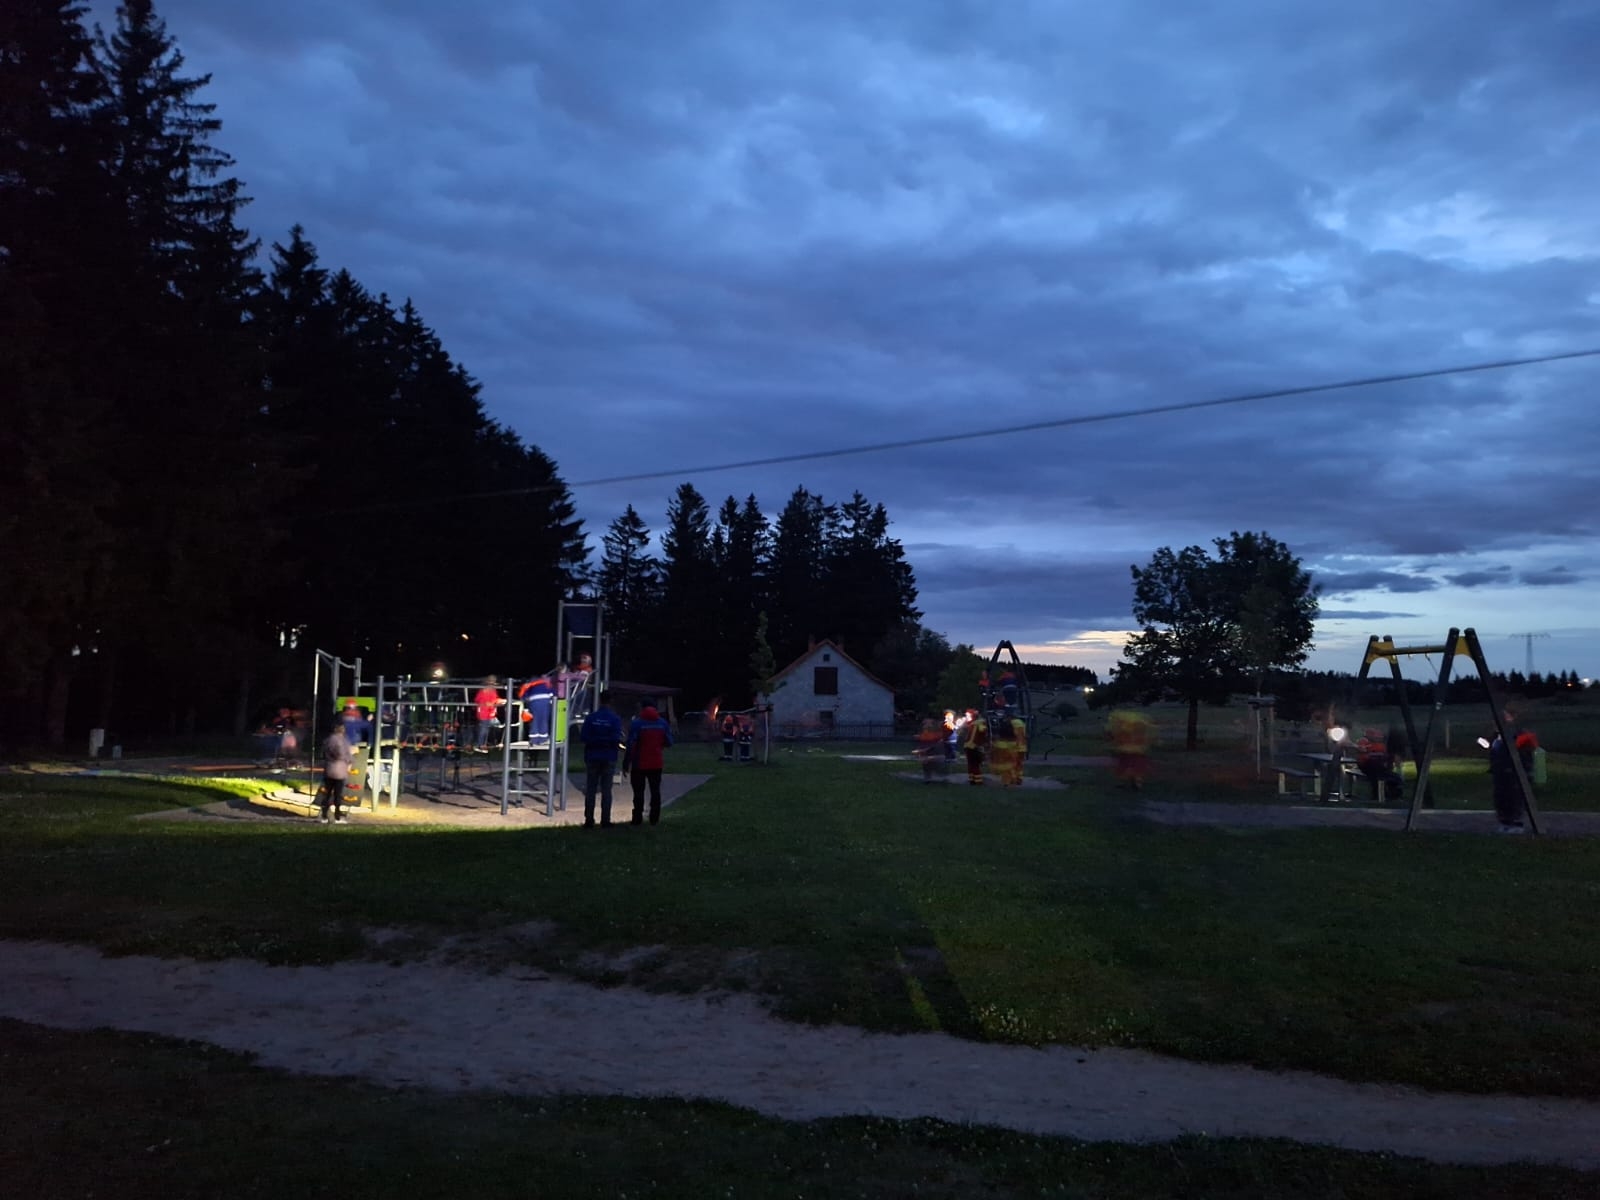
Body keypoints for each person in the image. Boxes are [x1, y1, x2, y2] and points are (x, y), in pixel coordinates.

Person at [624, 696, 674, 825]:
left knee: (638, 792)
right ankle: (654, 818)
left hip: (639, 763)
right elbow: (669, 742)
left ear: (642, 707)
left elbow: (630, 745)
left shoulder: (637, 723)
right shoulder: (662, 723)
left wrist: (626, 763)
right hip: (656, 762)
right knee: (655, 791)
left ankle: (637, 818)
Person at [579, 689, 624, 828]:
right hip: (608, 756)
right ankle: (605, 820)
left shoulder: (591, 718)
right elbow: (617, 738)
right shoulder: (615, 719)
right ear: (611, 701)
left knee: (591, 789)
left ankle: (589, 820)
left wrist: (595, 740)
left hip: (592, 755)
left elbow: (584, 737)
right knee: (606, 790)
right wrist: (607, 741)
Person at [1489, 708, 1537, 834]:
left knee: (1514, 797)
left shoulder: (1518, 735)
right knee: (1501, 797)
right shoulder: (1496, 737)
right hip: (1500, 773)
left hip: (1514, 772)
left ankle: (1516, 823)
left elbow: (1525, 753)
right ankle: (1504, 821)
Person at [1107, 709, 1153, 790]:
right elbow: (1145, 741)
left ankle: (1128, 782)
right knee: (1135, 768)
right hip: (1136, 752)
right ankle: (1135, 783)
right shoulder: (1139, 730)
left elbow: (1116, 740)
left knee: (1125, 767)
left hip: (1127, 752)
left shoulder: (1123, 731)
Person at [319, 718, 353, 824]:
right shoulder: (342, 740)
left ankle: (324, 815)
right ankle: (337, 816)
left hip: (329, 769)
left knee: (327, 794)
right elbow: (342, 754)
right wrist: (350, 759)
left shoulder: (328, 740)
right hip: (340, 770)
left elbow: (324, 753)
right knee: (338, 795)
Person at [472, 676, 504, 752]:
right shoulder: (484, 689)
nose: (493, 682)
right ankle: (479, 745)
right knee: (484, 729)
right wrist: (486, 703)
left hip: (490, 713)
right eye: (491, 680)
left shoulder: (493, 690)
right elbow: (478, 700)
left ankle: (485, 743)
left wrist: (501, 701)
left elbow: (495, 699)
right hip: (484, 712)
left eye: (494, 680)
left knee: (494, 727)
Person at [961, 708, 987, 785]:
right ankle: (978, 781)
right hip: (974, 746)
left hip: (968, 746)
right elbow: (983, 731)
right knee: (975, 764)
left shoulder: (972, 724)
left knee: (971, 764)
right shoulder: (979, 723)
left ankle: (972, 780)